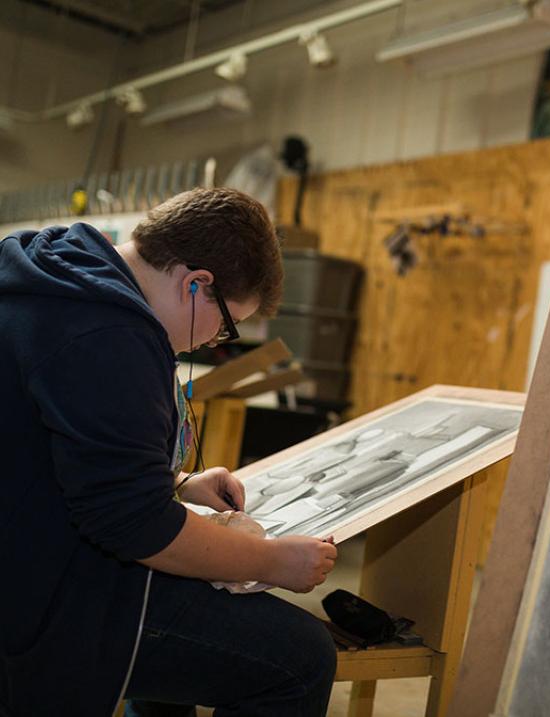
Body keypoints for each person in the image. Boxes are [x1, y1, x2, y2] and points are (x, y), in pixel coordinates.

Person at [0, 187, 339, 717]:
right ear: (196, 283)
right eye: (226, 325)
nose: (212, 342)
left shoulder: (55, 271)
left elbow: (53, 450)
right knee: (302, 659)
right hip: (37, 601)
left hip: (28, 552)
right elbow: (133, 526)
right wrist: (275, 561)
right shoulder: (109, 335)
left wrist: (177, 482)